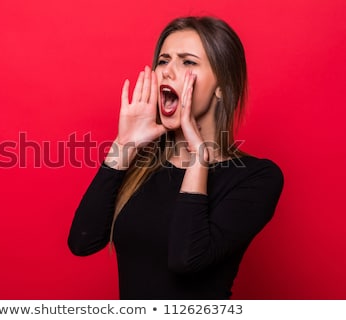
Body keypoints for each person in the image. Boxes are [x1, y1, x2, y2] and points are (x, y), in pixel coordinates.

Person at [67, 16, 284, 299]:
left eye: (188, 62)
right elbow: (82, 242)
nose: (167, 72)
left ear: (222, 85)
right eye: (163, 60)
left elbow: (186, 259)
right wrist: (123, 146)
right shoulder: (143, 165)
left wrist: (198, 159)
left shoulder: (256, 177)